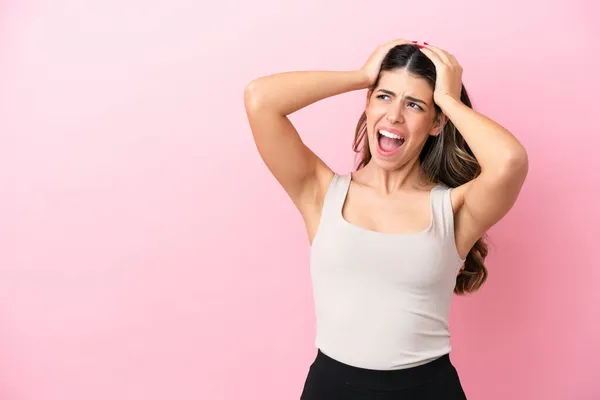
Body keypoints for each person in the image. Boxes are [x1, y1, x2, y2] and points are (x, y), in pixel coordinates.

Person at [243, 39, 529, 399]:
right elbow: (260, 99)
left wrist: (449, 101)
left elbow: (510, 162)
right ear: (367, 102)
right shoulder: (321, 192)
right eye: (384, 96)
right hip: (331, 389)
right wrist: (360, 76)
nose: (394, 116)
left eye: (414, 104)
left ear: (437, 121)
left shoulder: (454, 208)